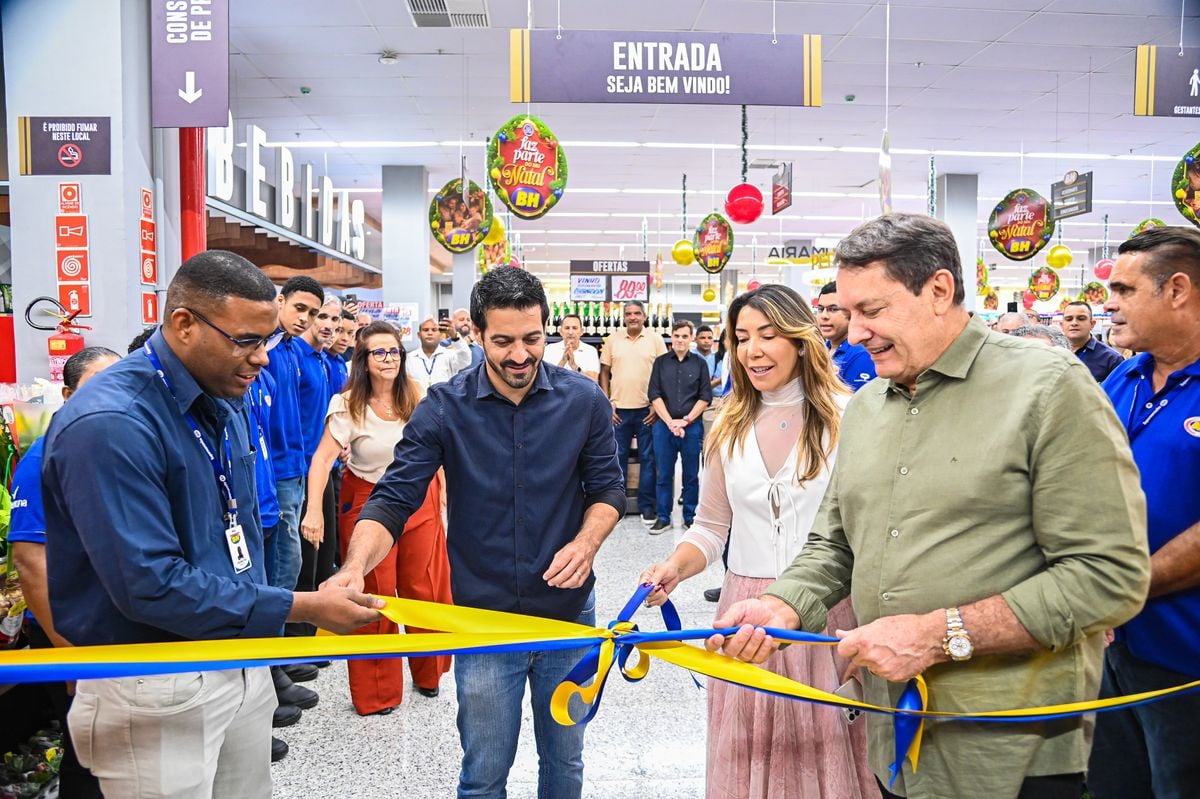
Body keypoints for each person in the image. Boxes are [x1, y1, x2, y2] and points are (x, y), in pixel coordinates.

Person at [708, 214, 1150, 799]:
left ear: (939, 290)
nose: (854, 332)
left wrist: (938, 635)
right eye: (847, 311)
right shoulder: (866, 408)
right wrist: (783, 604)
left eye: (873, 310)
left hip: (1009, 747)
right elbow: (835, 544)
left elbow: (1109, 576)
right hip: (892, 738)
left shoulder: (1047, 388)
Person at [40, 250, 384, 799]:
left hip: (236, 658)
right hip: (156, 681)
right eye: (247, 341)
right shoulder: (111, 424)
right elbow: (148, 583)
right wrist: (299, 607)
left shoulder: (221, 397)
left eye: (266, 342)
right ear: (183, 325)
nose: (263, 360)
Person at [325, 266, 624, 799]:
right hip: (481, 619)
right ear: (478, 334)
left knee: (565, 762)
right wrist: (352, 568)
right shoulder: (444, 407)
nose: (519, 355)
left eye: (532, 339)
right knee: (483, 772)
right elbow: (393, 499)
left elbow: (608, 490)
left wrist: (585, 543)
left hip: (568, 615)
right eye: (503, 341)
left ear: (547, 331)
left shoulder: (584, 402)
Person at [640, 285, 876, 799]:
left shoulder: (852, 415)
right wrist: (673, 569)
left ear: (801, 340)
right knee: (751, 754)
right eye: (741, 337)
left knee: (827, 752)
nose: (752, 350)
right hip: (743, 614)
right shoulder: (729, 423)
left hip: (828, 611)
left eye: (768, 335)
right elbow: (710, 527)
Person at [1088, 226, 1200, 798]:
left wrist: (1120, 588)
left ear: (1177, 290)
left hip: (1186, 655)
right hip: (1113, 649)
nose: (1109, 302)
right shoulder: (1124, 377)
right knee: (1114, 785)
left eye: (1125, 289)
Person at [301, 321, 452, 716]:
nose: (389, 359)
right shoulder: (347, 403)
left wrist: (444, 496)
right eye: (379, 352)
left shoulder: (417, 395)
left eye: (394, 352)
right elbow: (321, 461)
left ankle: (429, 673)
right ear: (363, 360)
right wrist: (314, 509)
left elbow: (435, 452)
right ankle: (378, 693)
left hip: (420, 499)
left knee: (425, 587)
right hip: (368, 501)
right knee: (373, 595)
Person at [10, 347, 120, 798]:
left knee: (109, 748)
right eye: (98, 384)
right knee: (87, 753)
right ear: (68, 394)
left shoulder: (107, 446)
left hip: (107, 622)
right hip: (68, 632)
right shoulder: (44, 458)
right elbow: (30, 561)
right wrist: (69, 651)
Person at [264, 276, 323, 595]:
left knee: (291, 563)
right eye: (300, 308)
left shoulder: (290, 349)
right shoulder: (264, 347)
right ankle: (274, 641)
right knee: (286, 563)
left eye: (313, 313)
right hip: (275, 470)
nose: (306, 318)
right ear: (281, 301)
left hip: (296, 467)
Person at [600, 300, 666, 525]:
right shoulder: (613, 340)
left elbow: (662, 374)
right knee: (617, 459)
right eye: (629, 313)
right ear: (624, 317)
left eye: (637, 313)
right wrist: (607, 402)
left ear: (644, 316)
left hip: (647, 410)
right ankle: (616, 508)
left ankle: (647, 507)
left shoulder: (656, 340)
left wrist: (656, 405)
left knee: (649, 459)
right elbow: (604, 372)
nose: (633, 317)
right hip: (619, 410)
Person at [646, 320, 711, 533]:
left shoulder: (700, 364)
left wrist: (686, 420)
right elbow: (654, 395)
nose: (680, 340)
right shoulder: (661, 362)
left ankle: (690, 516)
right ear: (671, 337)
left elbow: (705, 397)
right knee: (663, 474)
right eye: (676, 336)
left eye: (684, 336)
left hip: (691, 427)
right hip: (664, 427)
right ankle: (663, 517)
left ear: (691, 338)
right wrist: (670, 422)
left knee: (691, 474)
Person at [817, 281, 877, 391]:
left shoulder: (862, 354)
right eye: (820, 309)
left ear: (851, 312)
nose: (823, 316)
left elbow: (855, 403)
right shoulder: (821, 349)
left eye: (833, 309)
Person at [1060, 301, 1124, 381]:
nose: (1074, 323)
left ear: (1092, 324)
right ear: (1061, 325)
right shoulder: (1052, 354)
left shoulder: (1112, 359)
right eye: (1069, 319)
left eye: (1081, 318)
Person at [407, 316, 472, 389]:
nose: (430, 333)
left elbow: (466, 359)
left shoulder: (449, 355)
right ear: (419, 335)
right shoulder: (409, 358)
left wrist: (455, 336)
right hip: (418, 400)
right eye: (425, 330)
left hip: (444, 400)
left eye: (434, 330)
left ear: (441, 335)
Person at [544, 313, 600, 381]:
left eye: (575, 328)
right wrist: (562, 362)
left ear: (581, 331)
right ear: (561, 332)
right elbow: (545, 379)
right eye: (567, 328)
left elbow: (594, 381)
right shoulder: (549, 349)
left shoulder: (590, 351)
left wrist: (574, 366)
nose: (570, 332)